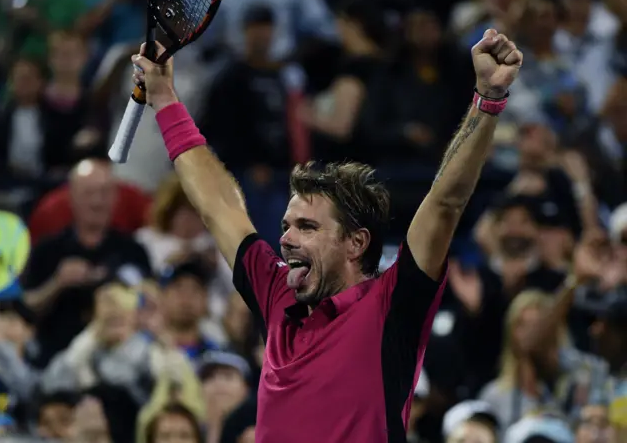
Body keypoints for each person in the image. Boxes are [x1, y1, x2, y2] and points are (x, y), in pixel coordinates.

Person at [131, 27, 523, 443]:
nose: (286, 239)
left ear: (356, 242)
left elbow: (445, 203)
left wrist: (488, 99)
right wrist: (165, 99)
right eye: (286, 225)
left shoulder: (392, 307)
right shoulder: (277, 292)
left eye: (307, 227)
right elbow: (217, 204)